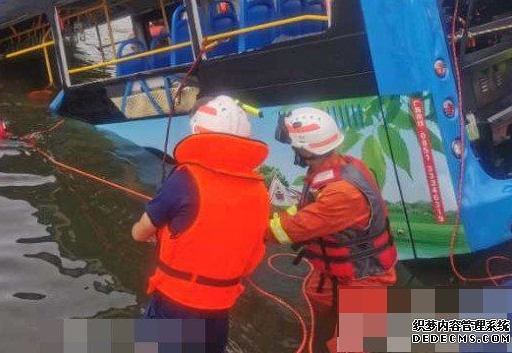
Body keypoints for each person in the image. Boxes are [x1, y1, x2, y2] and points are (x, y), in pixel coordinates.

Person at [131, 95, 270, 353]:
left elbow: (140, 233)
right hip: (219, 310)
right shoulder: (260, 191)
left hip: (174, 306)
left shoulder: (185, 179)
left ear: (198, 130)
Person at [268, 107, 398, 353]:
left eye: (294, 144)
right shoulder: (338, 168)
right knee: (315, 302)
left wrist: (253, 229)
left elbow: (291, 229)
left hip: (365, 278)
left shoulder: (341, 193)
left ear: (307, 150)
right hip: (336, 272)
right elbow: (306, 211)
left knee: (353, 346)